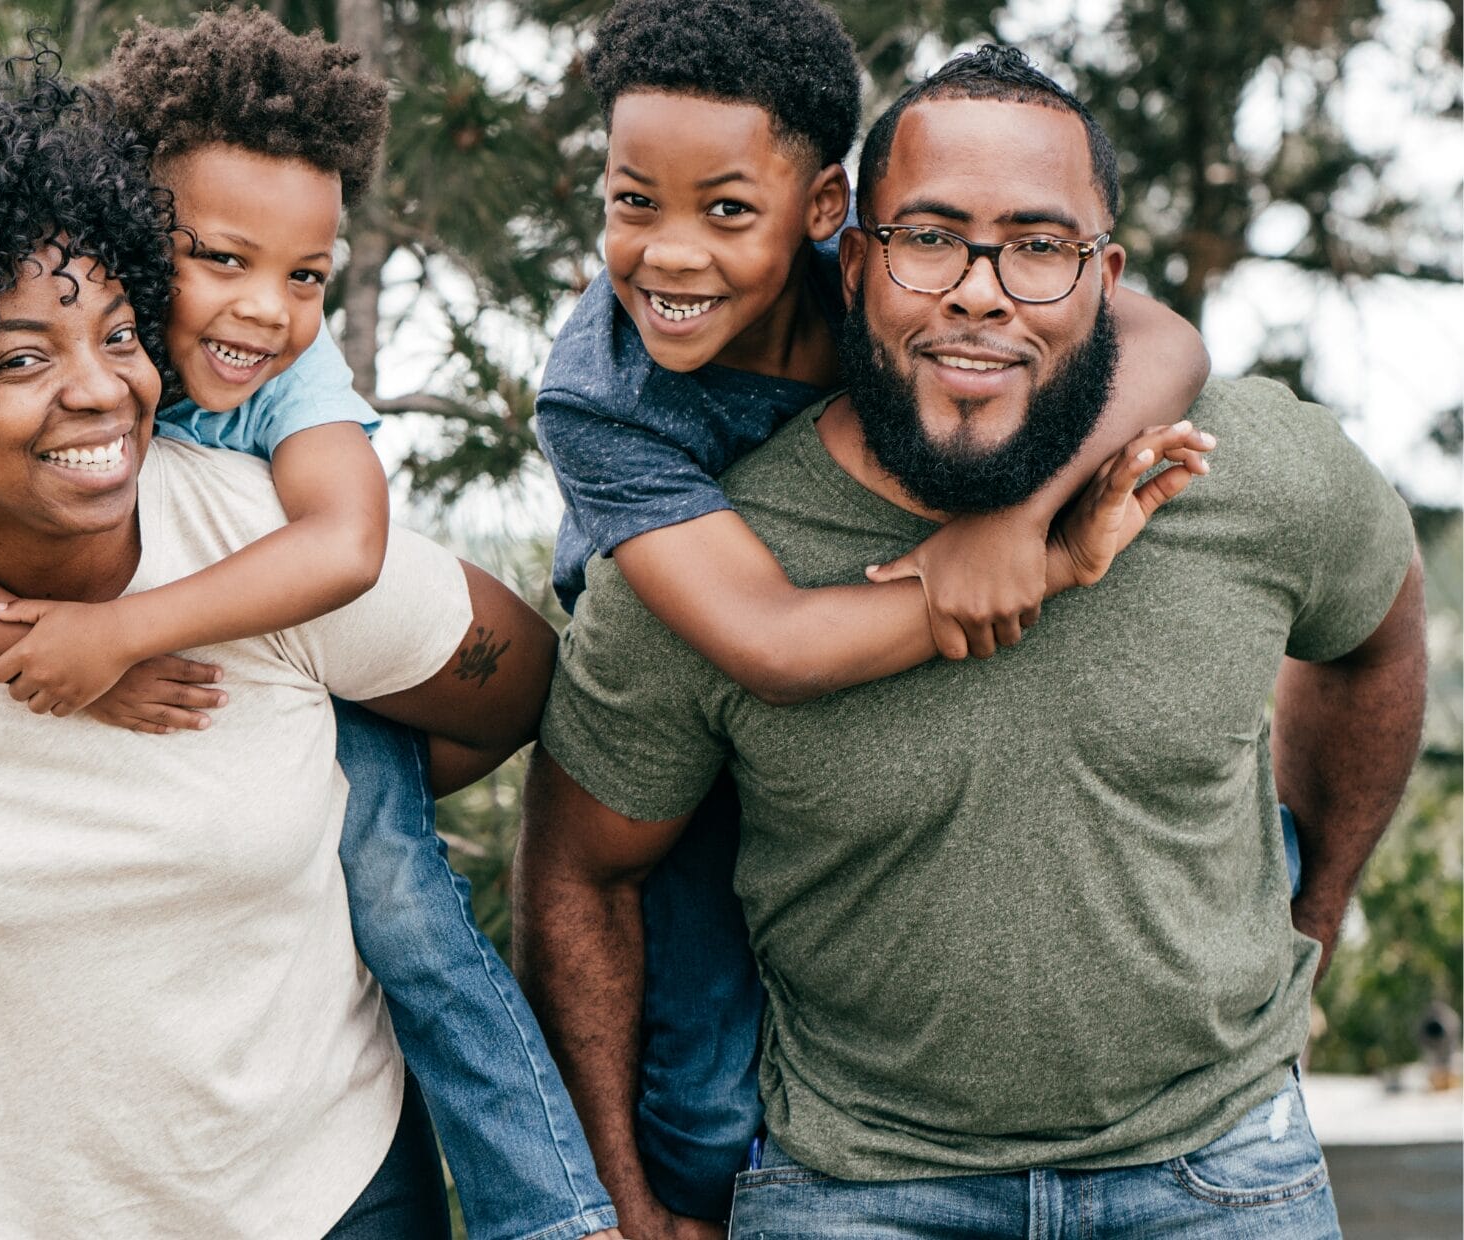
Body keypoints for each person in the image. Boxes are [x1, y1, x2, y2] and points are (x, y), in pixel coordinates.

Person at [0, 16, 619, 1240]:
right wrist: (34, 674)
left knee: (397, 889)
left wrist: (163, 667)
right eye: (19, 355)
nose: (99, 383)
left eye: (306, 274)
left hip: (311, 1185)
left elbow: (426, 618)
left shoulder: (276, 454)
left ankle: (554, 1213)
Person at [515, 44, 1426, 1240]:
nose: (981, 291)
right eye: (930, 238)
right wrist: (624, 1206)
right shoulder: (694, 553)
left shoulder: (1246, 468)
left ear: (1106, 273)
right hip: (850, 1185)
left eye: (1038, 248)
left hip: (1219, 1172)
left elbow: (1376, 634)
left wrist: (1311, 916)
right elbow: (581, 870)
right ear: (850, 261)